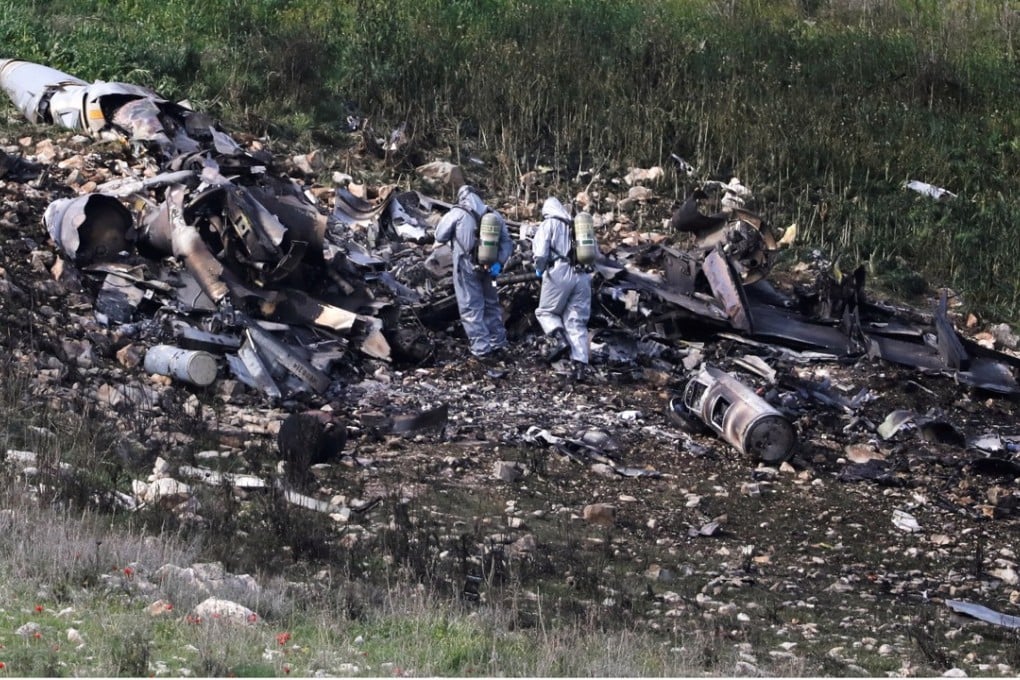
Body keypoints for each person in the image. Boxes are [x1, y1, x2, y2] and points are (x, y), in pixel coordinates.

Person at [434, 184, 513, 361]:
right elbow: (507, 242)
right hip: (491, 269)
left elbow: (439, 236)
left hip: (466, 268)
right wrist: (498, 263)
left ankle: (482, 350)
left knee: (471, 308)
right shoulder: (494, 215)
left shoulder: (457, 213)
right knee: (492, 304)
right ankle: (499, 344)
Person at [532, 196, 592, 380]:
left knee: (546, 312)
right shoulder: (577, 225)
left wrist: (539, 269)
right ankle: (580, 366)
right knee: (575, 320)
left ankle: (559, 340)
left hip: (559, 271)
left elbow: (541, 253)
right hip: (582, 275)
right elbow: (593, 253)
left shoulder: (548, 224)